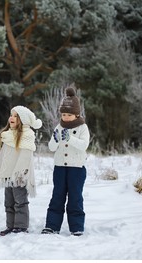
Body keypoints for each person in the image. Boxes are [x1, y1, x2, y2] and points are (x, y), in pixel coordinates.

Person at [41, 86, 90, 236]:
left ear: (76, 114)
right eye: (63, 114)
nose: (66, 117)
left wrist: (71, 138)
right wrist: (55, 140)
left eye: (69, 114)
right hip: (60, 168)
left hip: (76, 168)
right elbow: (51, 147)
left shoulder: (82, 127)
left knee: (75, 198)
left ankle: (76, 227)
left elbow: (84, 145)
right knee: (57, 196)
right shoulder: (58, 127)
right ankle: (52, 225)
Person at [0, 106, 42, 236]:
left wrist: (20, 174)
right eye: (11, 115)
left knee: (20, 201)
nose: (11, 118)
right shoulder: (8, 135)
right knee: (8, 202)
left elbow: (25, 157)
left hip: (20, 174)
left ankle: (21, 226)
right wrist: (1, 171)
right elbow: (4, 156)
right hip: (8, 174)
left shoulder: (27, 135)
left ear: (23, 120)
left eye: (15, 116)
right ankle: (11, 225)